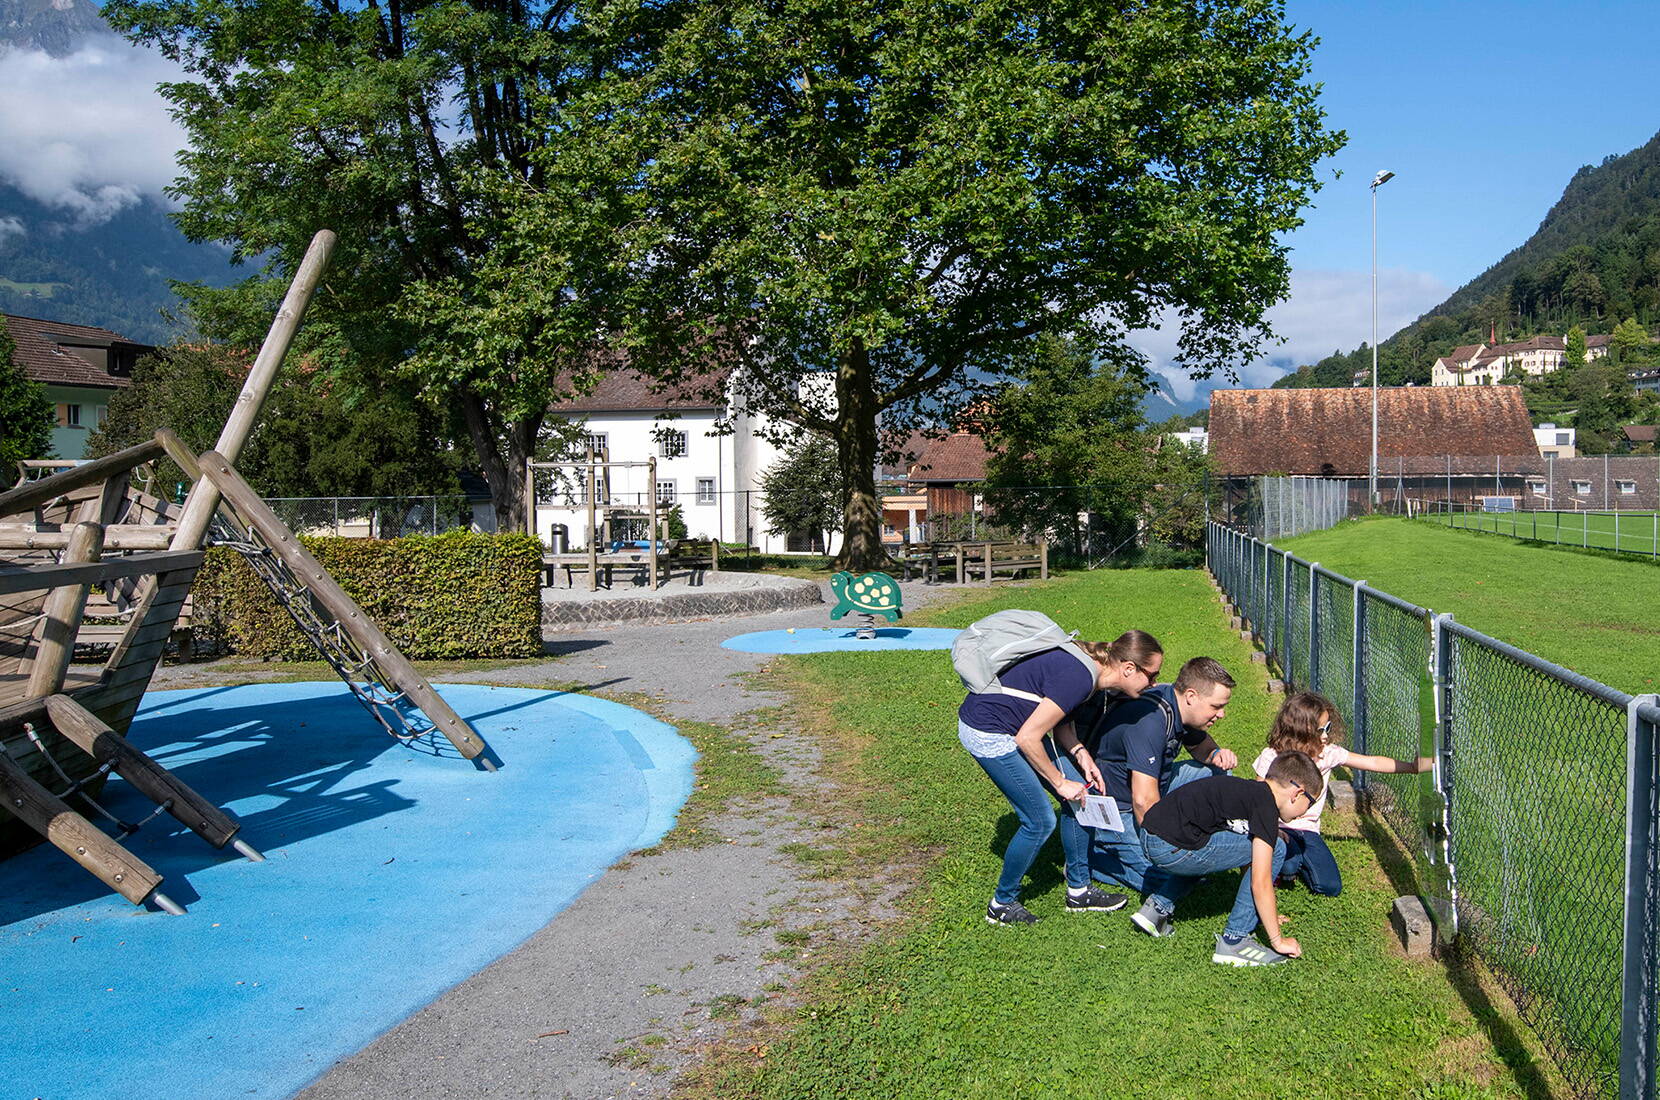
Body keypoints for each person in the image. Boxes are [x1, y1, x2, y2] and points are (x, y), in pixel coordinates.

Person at [959, 628, 1165, 925]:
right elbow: (1028, 738)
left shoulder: (1092, 675)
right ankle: (1001, 904)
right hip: (990, 731)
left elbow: (1060, 720)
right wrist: (1059, 782)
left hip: (1020, 726)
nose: (1154, 683)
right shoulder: (1081, 676)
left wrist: (1082, 755)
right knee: (1040, 821)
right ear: (1129, 668)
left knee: (1085, 795)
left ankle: (1079, 891)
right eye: (1152, 675)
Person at [1136, 750, 1324, 966]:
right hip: (1171, 846)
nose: (1305, 812)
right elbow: (1260, 881)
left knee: (1211, 847)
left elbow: (1241, 855)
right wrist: (1277, 939)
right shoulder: (1265, 805)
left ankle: (1156, 909)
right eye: (1310, 803)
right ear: (1297, 793)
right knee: (1278, 848)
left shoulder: (1251, 792)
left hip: (1152, 836)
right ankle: (1236, 941)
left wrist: (1266, 916)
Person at [1251, 691, 1427, 897]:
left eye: (1328, 728)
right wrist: (1271, 829)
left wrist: (1412, 767)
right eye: (1320, 730)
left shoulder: (1328, 754)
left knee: (1329, 887)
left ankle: (1292, 863)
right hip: (1276, 827)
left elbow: (1371, 762)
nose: (1325, 735)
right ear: (1300, 730)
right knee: (1288, 863)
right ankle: (1285, 866)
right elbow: (1258, 798)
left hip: (1307, 830)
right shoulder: (1272, 756)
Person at [1087, 657, 1238, 895]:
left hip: (1157, 785)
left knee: (1220, 776)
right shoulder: (1149, 723)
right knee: (1166, 877)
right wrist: (1174, 847)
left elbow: (1199, 745)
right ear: (1191, 696)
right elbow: (1143, 801)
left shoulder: (1173, 698)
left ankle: (1201, 832)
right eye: (1216, 707)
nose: (1222, 715)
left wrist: (1217, 754)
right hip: (1119, 810)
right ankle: (1093, 857)